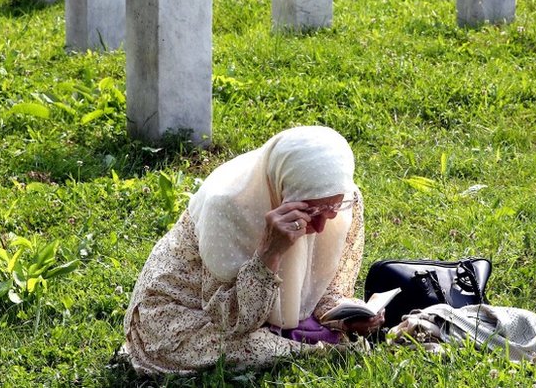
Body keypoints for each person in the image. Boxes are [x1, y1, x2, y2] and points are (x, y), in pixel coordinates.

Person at [120, 126, 383, 375]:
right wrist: (270, 251)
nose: (321, 225)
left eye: (332, 209)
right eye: (310, 210)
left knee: (272, 342)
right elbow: (232, 321)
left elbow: (326, 292)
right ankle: (322, 352)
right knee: (244, 347)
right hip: (187, 312)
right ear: (280, 187)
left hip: (250, 311)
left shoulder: (343, 199)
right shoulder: (225, 206)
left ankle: (304, 342)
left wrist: (348, 317)